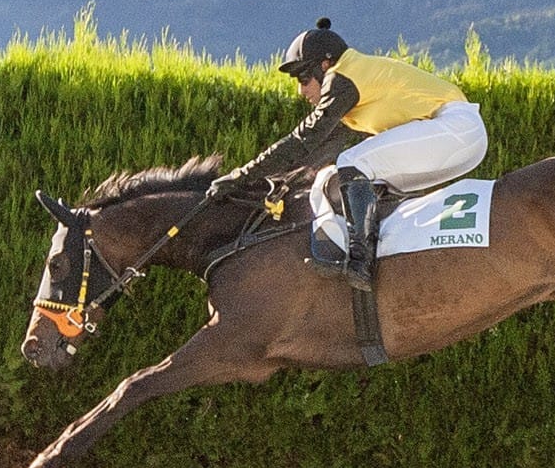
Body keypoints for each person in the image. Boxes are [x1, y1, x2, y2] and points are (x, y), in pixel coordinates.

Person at [207, 18, 488, 290]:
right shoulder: (354, 84)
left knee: (352, 163)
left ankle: (361, 262)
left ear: (325, 65)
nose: (301, 90)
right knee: (352, 178)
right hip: (457, 137)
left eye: (304, 78)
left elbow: (302, 139)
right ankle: (397, 258)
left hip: (455, 128)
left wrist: (240, 176)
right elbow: (316, 153)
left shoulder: (341, 78)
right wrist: (277, 183)